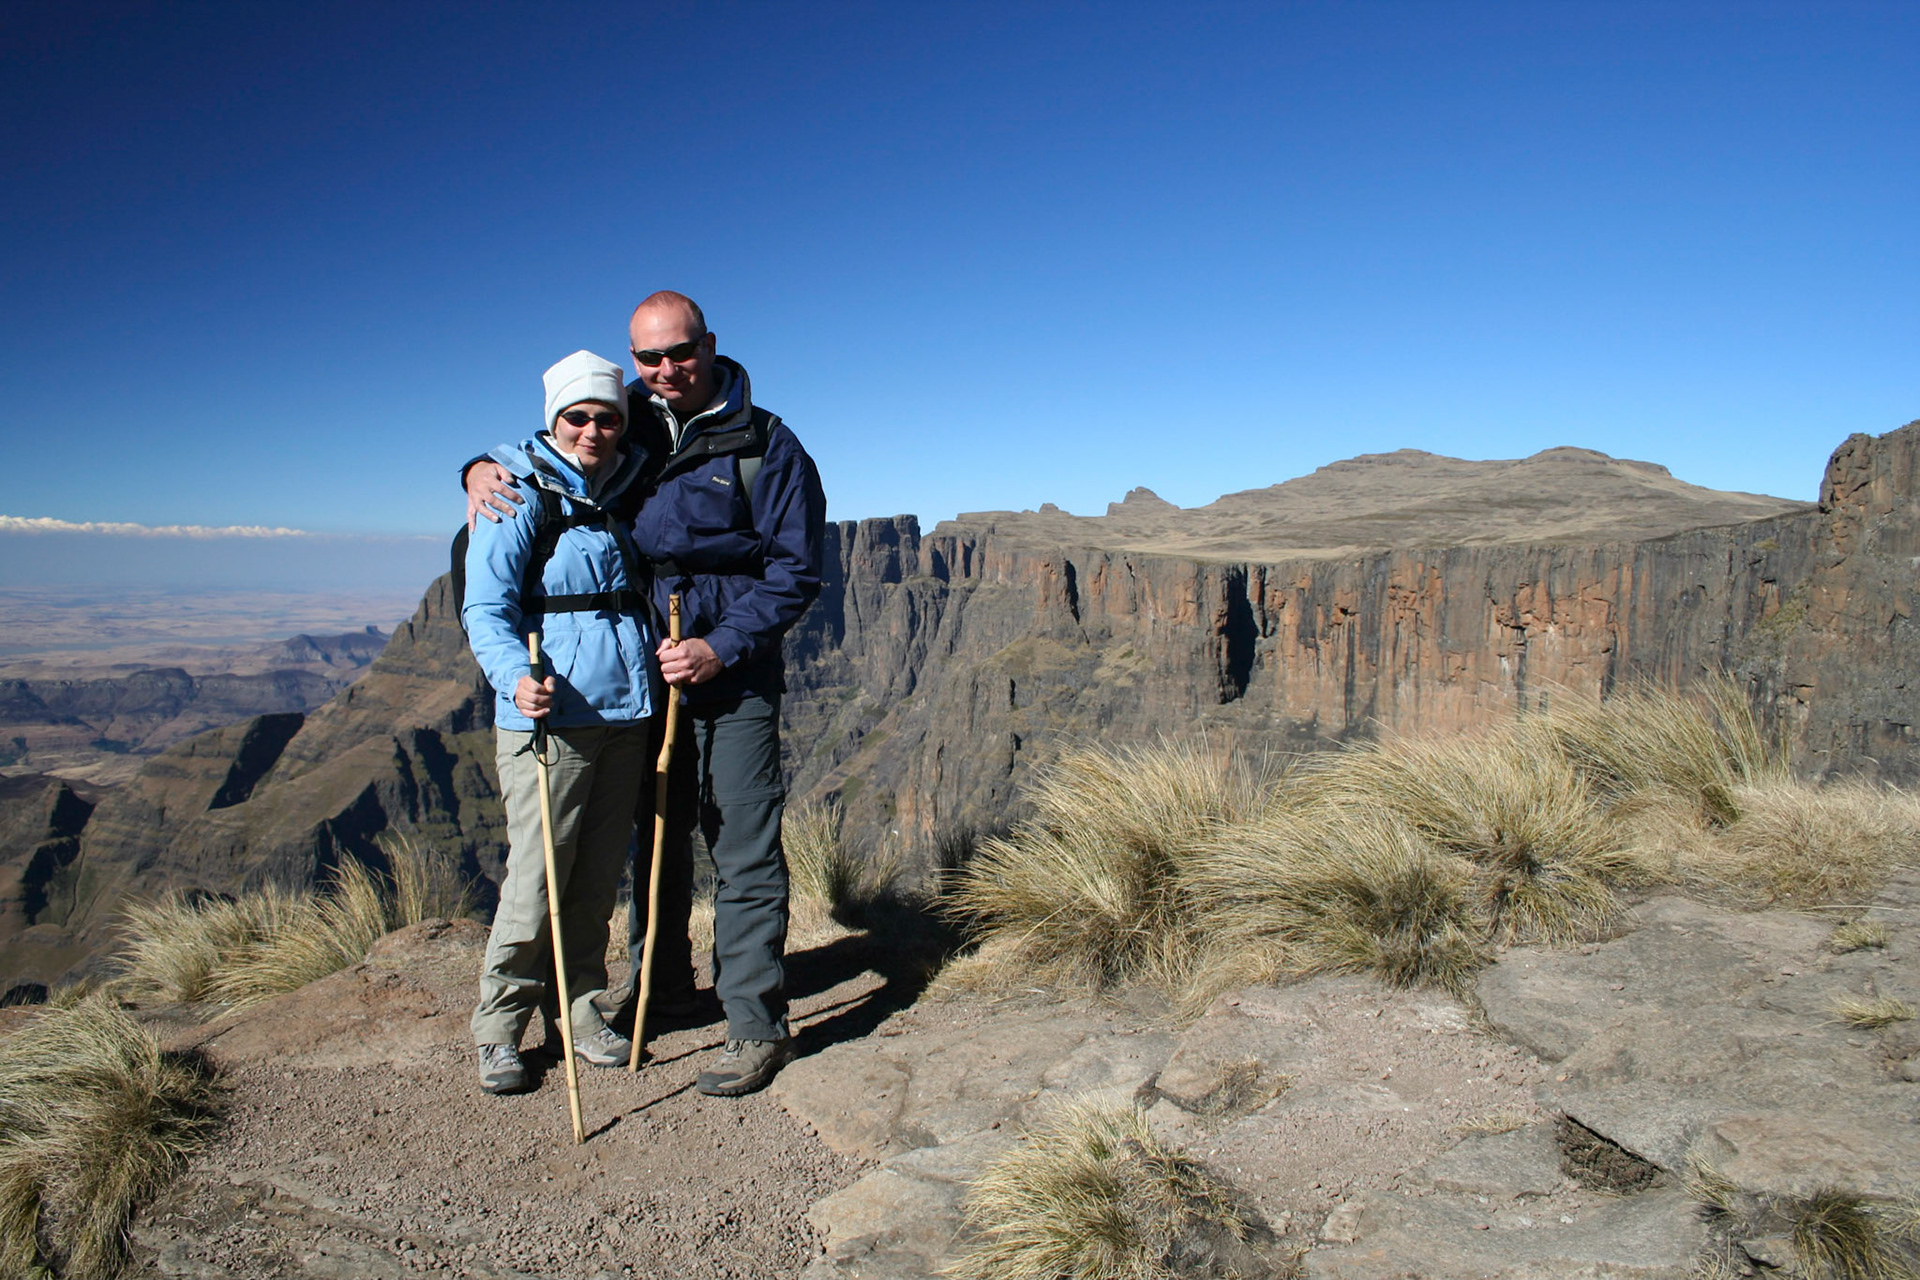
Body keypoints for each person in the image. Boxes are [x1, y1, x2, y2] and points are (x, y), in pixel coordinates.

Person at [467, 292, 827, 1096]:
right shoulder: (622, 420)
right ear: (634, 362)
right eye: (650, 359)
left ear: (709, 345)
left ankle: (753, 1025)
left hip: (729, 673)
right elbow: (543, 460)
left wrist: (718, 646)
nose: (667, 371)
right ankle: (660, 991)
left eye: (681, 353)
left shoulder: (767, 444)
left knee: (738, 841)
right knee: (649, 840)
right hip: (636, 679)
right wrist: (474, 470)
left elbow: (796, 572)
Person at [463, 350, 657, 1095]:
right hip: (550, 716)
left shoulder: (631, 482)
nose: (593, 429)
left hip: (628, 711)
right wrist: (516, 680)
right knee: (539, 875)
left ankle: (578, 1009)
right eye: (578, 417)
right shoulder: (514, 493)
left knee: (595, 877)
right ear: (555, 420)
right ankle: (499, 1027)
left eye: (607, 416)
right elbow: (486, 607)